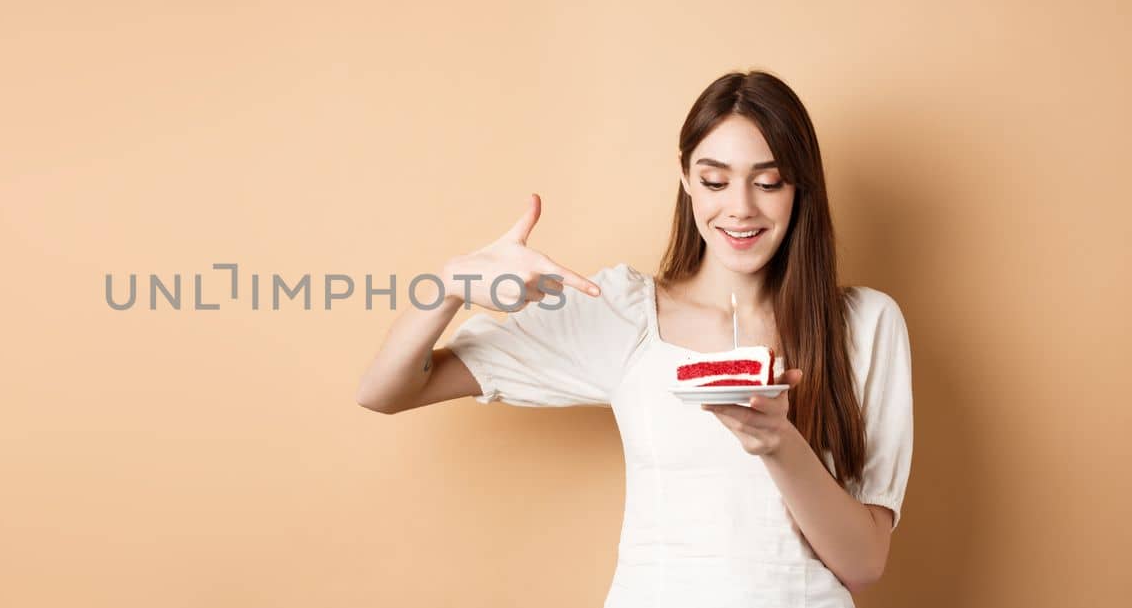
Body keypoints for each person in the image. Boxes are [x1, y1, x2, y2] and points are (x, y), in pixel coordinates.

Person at [354, 70, 913, 608]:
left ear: (799, 186)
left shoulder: (865, 325)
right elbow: (387, 390)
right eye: (715, 180)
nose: (740, 207)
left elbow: (863, 565)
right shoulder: (621, 314)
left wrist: (779, 443)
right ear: (686, 177)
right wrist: (450, 286)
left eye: (768, 182)